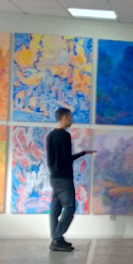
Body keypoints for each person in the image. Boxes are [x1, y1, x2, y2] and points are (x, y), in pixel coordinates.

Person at [47, 108, 95, 252]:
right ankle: (57, 238)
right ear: (64, 117)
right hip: (64, 177)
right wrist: (81, 154)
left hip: (54, 177)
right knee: (69, 207)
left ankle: (57, 239)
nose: (72, 120)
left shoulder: (51, 135)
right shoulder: (65, 135)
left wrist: (82, 153)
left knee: (55, 209)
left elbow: (56, 159)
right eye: (70, 117)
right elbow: (67, 158)